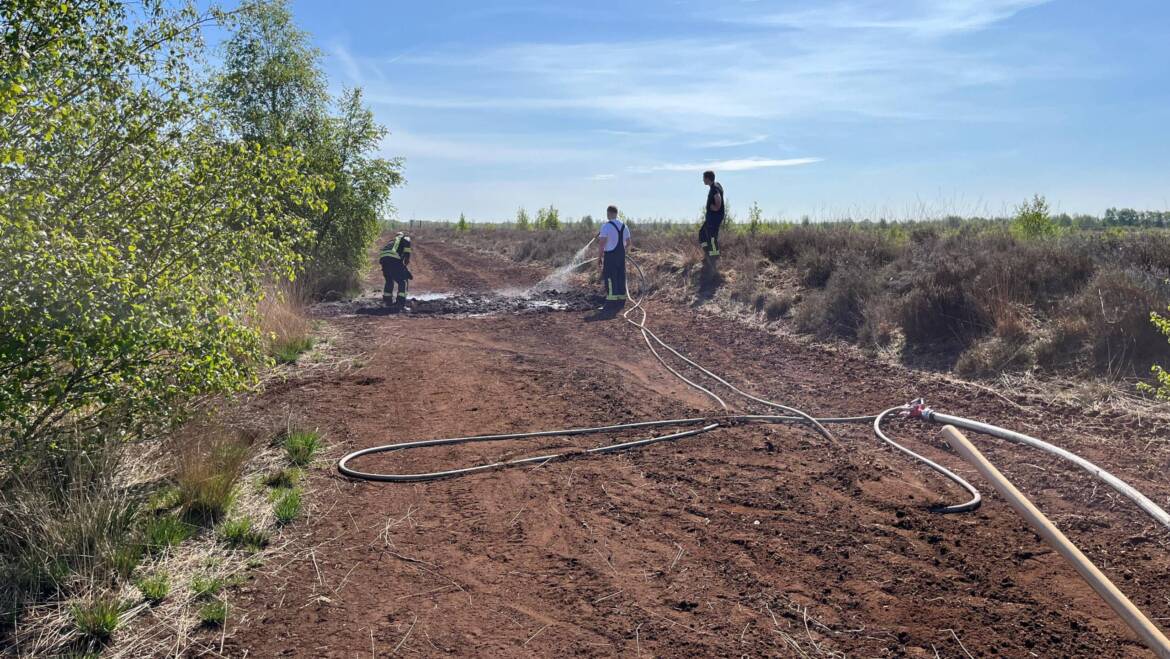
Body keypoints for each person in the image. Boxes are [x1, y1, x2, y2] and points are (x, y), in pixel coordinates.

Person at [597, 205, 631, 307]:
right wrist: (622, 250)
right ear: (616, 214)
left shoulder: (606, 226)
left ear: (609, 213)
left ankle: (611, 300)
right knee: (621, 275)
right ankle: (621, 298)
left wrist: (599, 258)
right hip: (621, 255)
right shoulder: (624, 226)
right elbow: (629, 242)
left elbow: (601, 243)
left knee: (610, 277)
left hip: (610, 255)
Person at [379, 231, 413, 309]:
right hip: (393, 259)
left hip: (383, 260)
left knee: (389, 280)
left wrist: (402, 268)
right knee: (403, 281)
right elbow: (406, 251)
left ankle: (387, 302)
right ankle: (400, 304)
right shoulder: (405, 238)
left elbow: (397, 261)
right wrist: (407, 260)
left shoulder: (391, 242)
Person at [700, 170, 724, 261]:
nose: (703, 180)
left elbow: (718, 199)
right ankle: (708, 253)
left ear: (707, 178)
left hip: (714, 218)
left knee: (712, 237)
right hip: (712, 218)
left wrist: (715, 207)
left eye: (704, 178)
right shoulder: (717, 185)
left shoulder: (714, 188)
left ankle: (714, 257)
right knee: (702, 234)